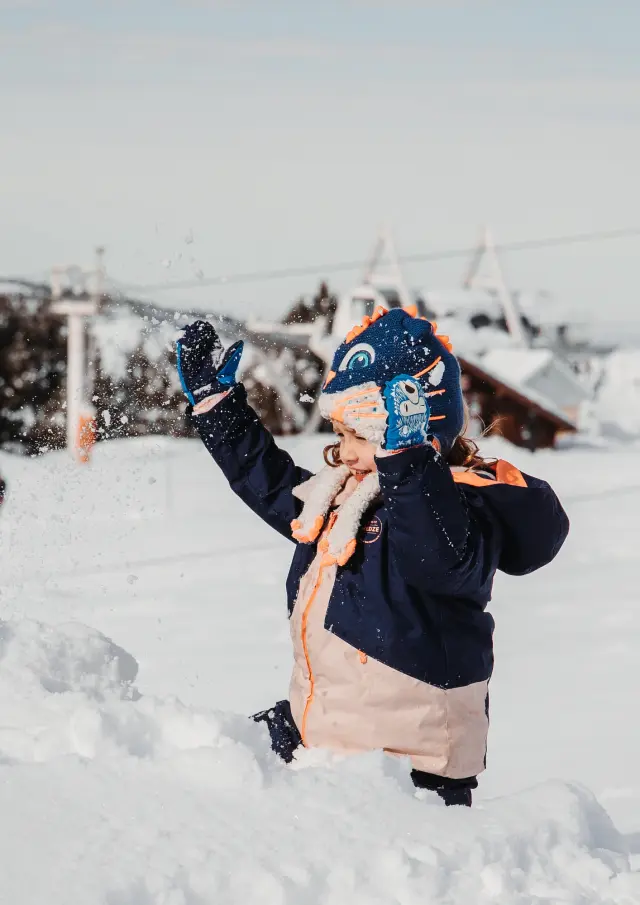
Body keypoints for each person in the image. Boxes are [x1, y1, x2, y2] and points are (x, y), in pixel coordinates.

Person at [176, 307, 569, 807]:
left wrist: (408, 464)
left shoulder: (460, 506)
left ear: (416, 429)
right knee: (202, 773)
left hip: (409, 764)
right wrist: (220, 411)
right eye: (340, 434)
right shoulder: (349, 494)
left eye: (360, 436)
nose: (344, 452)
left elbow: (437, 558)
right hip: (328, 730)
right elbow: (273, 487)